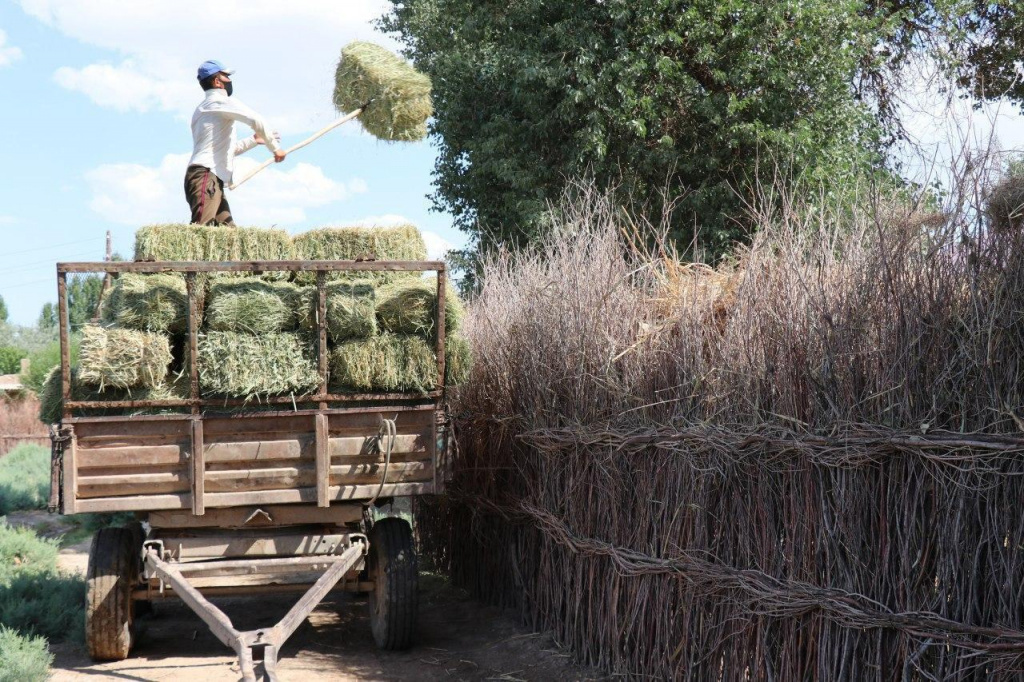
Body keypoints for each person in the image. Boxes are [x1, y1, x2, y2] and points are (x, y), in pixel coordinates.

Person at [184, 60, 286, 225]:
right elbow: (255, 119)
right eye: (226, 76)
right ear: (217, 81)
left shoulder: (206, 108)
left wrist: (253, 140)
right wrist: (275, 148)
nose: (229, 80)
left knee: (229, 234)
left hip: (211, 177)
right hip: (205, 175)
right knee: (202, 229)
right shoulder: (218, 101)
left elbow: (225, 150)